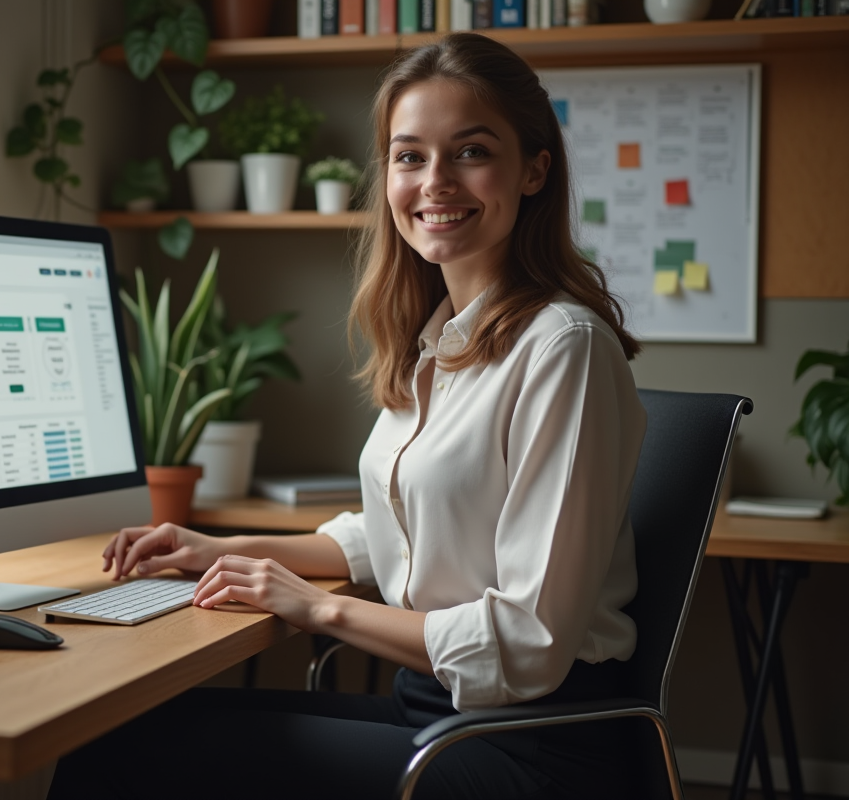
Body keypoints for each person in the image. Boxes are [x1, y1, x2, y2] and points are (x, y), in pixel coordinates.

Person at [49, 32, 646, 800]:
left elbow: (529, 642)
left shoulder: (563, 347)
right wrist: (221, 548)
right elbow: (398, 530)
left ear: (535, 169)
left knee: (122, 757)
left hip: (530, 750)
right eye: (409, 156)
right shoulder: (440, 342)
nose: (435, 181)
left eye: (471, 152)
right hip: (436, 712)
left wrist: (316, 608)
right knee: (119, 731)